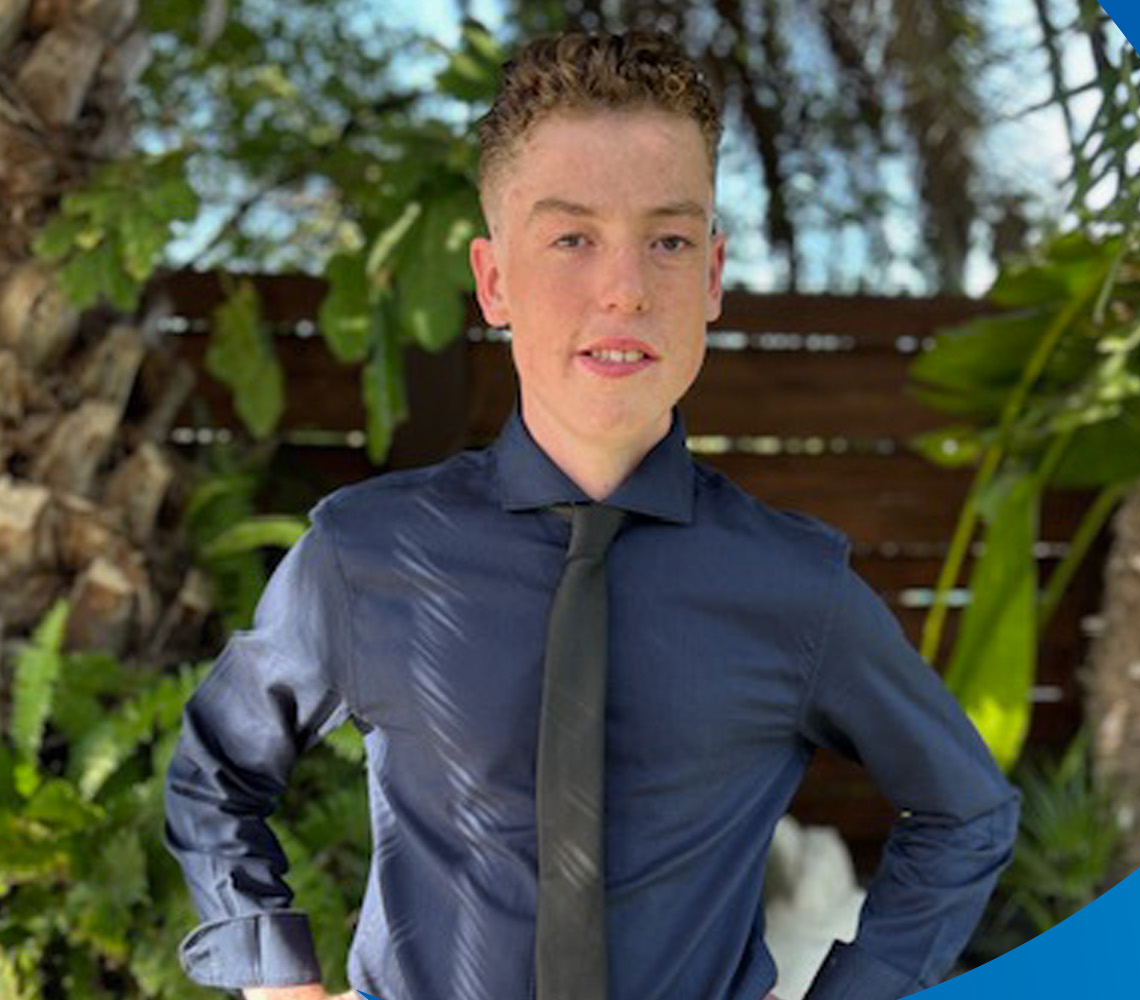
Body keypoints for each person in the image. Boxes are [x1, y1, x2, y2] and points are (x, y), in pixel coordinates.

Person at [163, 29, 1018, 1000]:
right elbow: (217, 767)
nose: (625, 289)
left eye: (669, 241)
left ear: (712, 278)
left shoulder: (797, 587)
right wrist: (273, 979)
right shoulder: (365, 554)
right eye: (572, 238)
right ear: (494, 281)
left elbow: (965, 812)